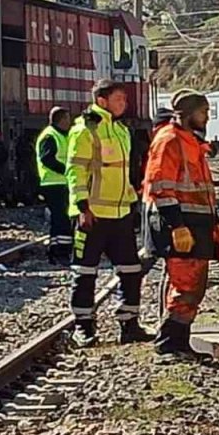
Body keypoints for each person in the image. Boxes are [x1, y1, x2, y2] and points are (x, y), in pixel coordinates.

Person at [67, 79, 152, 346]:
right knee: (85, 273)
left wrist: (132, 202)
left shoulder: (121, 130)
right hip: (92, 215)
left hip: (120, 214)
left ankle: (129, 324)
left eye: (124, 100)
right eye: (118, 99)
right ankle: (83, 327)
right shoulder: (86, 130)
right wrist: (82, 207)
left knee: (130, 270)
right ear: (101, 100)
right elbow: (76, 171)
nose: (124, 104)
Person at [143, 90, 219, 356]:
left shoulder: (191, 142)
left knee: (194, 286)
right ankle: (168, 343)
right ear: (189, 114)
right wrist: (176, 225)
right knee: (186, 285)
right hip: (180, 225)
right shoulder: (170, 141)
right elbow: (160, 186)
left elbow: (203, 190)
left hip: (194, 224)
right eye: (204, 112)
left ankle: (179, 343)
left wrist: (215, 223)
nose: (207, 117)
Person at [36, 107, 74, 263]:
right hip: (53, 183)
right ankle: (59, 253)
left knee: (62, 218)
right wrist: (67, 170)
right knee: (61, 219)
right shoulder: (50, 136)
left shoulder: (61, 135)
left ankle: (58, 251)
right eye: (67, 118)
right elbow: (47, 159)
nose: (69, 122)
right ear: (61, 120)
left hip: (61, 182)